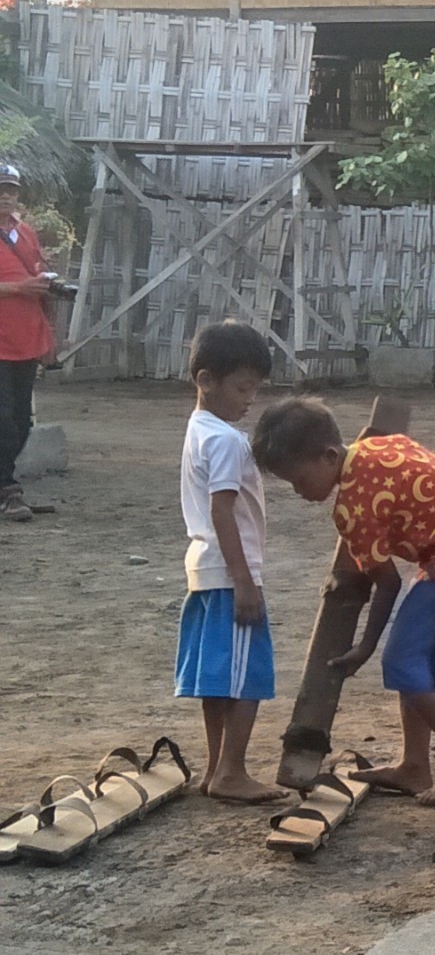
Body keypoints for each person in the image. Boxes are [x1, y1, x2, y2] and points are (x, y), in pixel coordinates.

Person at [252, 398, 435, 806]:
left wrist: (366, 647)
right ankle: (415, 766)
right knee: (412, 663)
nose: (299, 492)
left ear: (329, 455)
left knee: (402, 663)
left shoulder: (352, 506)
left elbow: (384, 582)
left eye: (299, 479)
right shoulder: (377, 447)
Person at [175, 321, 290, 804]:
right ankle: (232, 771)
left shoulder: (199, 428)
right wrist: (246, 581)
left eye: (255, 389)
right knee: (248, 676)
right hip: (230, 574)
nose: (249, 400)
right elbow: (223, 508)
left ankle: (217, 766)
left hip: (206, 571)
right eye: (243, 388)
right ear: (207, 380)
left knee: (219, 675)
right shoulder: (223, 439)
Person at [0, 163, 56, 523]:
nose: (6, 195)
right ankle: (8, 491)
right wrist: (18, 288)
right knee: (2, 419)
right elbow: (22, 285)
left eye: (11, 189)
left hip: (26, 337)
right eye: (1, 189)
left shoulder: (27, 234)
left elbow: (36, 280)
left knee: (22, 420)